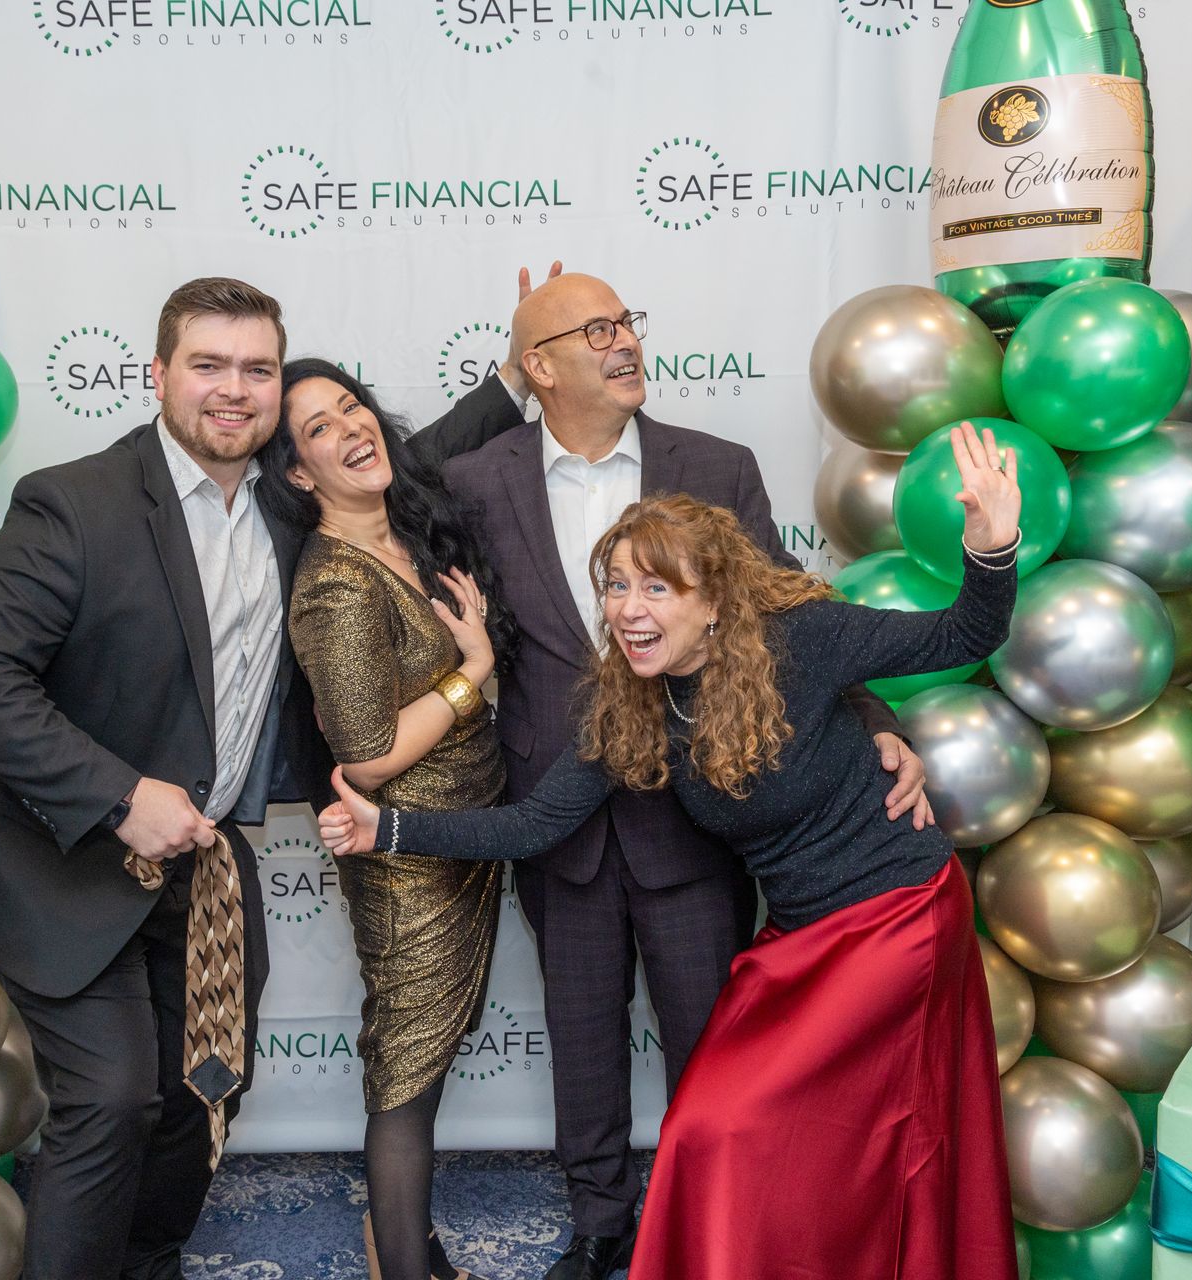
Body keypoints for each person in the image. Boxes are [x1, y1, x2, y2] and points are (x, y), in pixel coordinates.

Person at [0, 272, 543, 1280]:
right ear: (158, 374)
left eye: (257, 368)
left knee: (204, 1084)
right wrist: (122, 795)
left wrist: (513, 379)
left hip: (204, 867)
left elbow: (396, 458)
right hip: (63, 860)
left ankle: (147, 1258)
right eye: (208, 364)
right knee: (114, 1097)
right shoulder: (75, 504)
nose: (235, 389)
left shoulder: (288, 500)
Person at [318, 423, 1024, 1280]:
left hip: (894, 919)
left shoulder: (803, 638)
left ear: (713, 599)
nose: (627, 609)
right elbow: (535, 825)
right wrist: (382, 828)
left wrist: (992, 549)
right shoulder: (630, 701)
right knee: (716, 1125)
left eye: (656, 588)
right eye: (616, 587)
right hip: (799, 938)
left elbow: (960, 636)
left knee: (757, 1126)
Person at [437, 273, 930, 1279]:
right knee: (581, 1036)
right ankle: (600, 1222)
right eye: (597, 330)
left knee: (714, 1039)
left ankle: (715, 1217)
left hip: (697, 809)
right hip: (558, 807)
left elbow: (791, 616)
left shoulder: (713, 465)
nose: (626, 343)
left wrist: (878, 723)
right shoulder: (478, 478)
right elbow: (388, 474)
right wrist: (501, 383)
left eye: (628, 324)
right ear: (540, 366)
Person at [257, 360, 519, 1280]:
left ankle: (408, 1244)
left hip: (471, 833)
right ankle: (402, 1262)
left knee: (433, 1050)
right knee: (406, 1073)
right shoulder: (333, 584)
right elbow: (366, 753)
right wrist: (470, 672)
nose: (349, 429)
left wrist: (515, 372)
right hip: (403, 848)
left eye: (352, 408)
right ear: (297, 472)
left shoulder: (408, 528)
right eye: (318, 430)